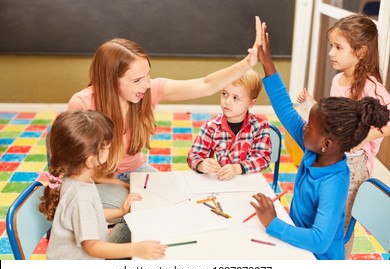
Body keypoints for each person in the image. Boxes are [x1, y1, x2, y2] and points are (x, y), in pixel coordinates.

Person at [67, 16, 263, 243]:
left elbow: (206, 84)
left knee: (174, 203)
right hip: (95, 180)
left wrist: (249, 62)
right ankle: (109, 260)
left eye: (148, 75)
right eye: (138, 79)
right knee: (139, 208)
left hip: (135, 171)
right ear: (111, 80)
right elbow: (77, 170)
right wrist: (125, 184)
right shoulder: (81, 105)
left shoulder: (146, 92)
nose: (147, 84)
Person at [250, 19, 390, 260]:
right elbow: (286, 111)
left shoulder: (335, 181)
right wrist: (267, 63)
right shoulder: (316, 148)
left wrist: (274, 223)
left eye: (310, 127)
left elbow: (320, 241)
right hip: (297, 248)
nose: (303, 129)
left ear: (326, 142)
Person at [296, 14, 390, 257]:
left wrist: (364, 138)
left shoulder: (373, 88)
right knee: (322, 215)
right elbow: (336, 118)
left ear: (360, 51)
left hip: (355, 166)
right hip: (335, 158)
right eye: (331, 46)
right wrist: (313, 105)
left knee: (340, 225)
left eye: (338, 47)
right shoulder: (338, 80)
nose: (331, 53)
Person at [39, 110, 166, 260]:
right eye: (106, 147)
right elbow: (93, 248)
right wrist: (136, 249)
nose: (111, 149)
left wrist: (120, 211)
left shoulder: (75, 178)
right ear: (90, 160)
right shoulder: (80, 197)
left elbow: (91, 215)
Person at [187, 69, 271, 180]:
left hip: (247, 183)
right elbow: (193, 155)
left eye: (235, 98)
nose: (227, 101)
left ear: (251, 103)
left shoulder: (260, 127)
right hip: (220, 183)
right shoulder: (211, 126)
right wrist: (201, 164)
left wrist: (236, 169)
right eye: (224, 94)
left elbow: (263, 159)